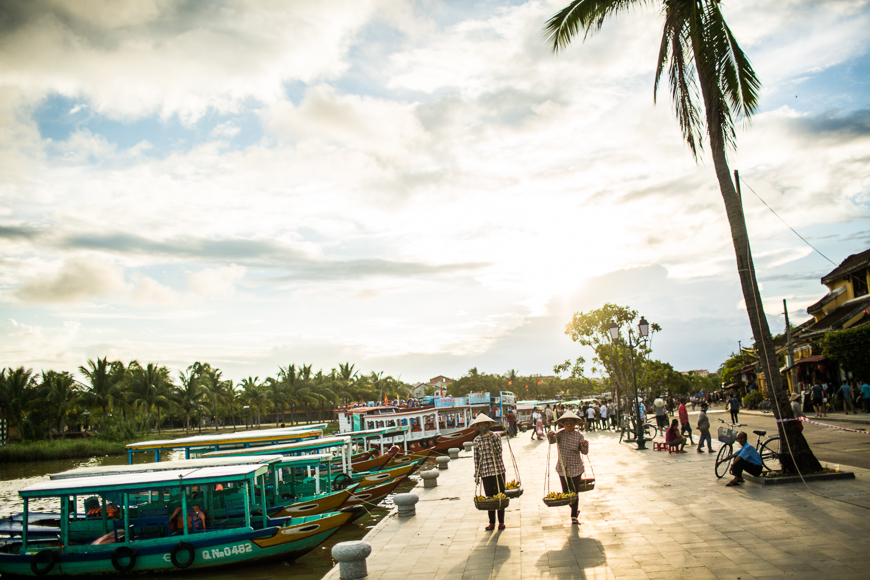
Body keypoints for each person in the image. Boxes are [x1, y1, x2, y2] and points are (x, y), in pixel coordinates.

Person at [546, 410, 589, 525]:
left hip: (576, 467)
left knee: (574, 492)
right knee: (566, 491)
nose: (569, 423)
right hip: (563, 467)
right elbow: (551, 441)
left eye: (571, 421)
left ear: (575, 423)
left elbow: (584, 452)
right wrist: (549, 435)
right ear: (563, 423)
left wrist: (585, 445)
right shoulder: (559, 434)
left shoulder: (579, 436)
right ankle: (574, 507)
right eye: (567, 421)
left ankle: (574, 515)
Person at [471, 413, 507, 530]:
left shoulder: (496, 437)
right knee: (489, 498)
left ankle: (501, 521)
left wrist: (491, 438)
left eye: (485, 424)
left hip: (498, 471)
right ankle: (492, 522)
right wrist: (477, 475)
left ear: (489, 424)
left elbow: (498, 451)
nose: (483, 426)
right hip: (486, 473)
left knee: (500, 497)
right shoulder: (476, 440)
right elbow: (476, 458)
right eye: (480, 424)